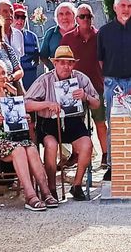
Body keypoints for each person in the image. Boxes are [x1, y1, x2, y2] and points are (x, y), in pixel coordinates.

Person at [0, 59, 55, 211]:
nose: (2, 76)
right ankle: (30, 196)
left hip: (12, 139)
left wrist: (23, 118)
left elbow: (16, 121)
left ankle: (46, 192)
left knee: (31, 147)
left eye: (4, 73)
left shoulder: (9, 95)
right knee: (19, 149)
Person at [25, 46, 100, 201]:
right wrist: (46, 104)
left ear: (73, 65)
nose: (66, 66)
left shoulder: (81, 78)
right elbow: (26, 104)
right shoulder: (44, 80)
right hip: (49, 122)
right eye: (62, 63)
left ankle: (77, 185)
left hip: (73, 120)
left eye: (69, 63)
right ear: (55, 63)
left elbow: (97, 103)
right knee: (51, 146)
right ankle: (51, 188)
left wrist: (85, 96)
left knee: (87, 145)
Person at [97, 0, 131, 181]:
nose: (126, 9)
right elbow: (101, 61)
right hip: (113, 83)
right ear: (115, 7)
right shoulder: (104, 32)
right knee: (115, 125)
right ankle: (113, 166)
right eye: (122, 5)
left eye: (129, 6)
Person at [60, 3, 107, 167]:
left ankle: (105, 154)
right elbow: (61, 61)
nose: (85, 19)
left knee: (100, 121)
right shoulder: (68, 38)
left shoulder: (100, 36)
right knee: (74, 122)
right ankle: (76, 154)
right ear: (76, 19)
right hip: (74, 88)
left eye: (88, 16)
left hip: (96, 86)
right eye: (82, 16)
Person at [40, 2, 77, 71]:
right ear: (56, 18)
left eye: (68, 13)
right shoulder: (50, 33)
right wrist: (53, 68)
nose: (64, 17)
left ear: (74, 16)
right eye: (61, 14)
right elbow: (43, 56)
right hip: (57, 76)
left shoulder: (81, 32)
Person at [12, 3, 40, 89]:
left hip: (30, 79)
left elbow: (36, 58)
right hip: (12, 80)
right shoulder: (5, 35)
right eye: (16, 16)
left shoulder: (32, 36)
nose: (20, 20)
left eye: (23, 17)